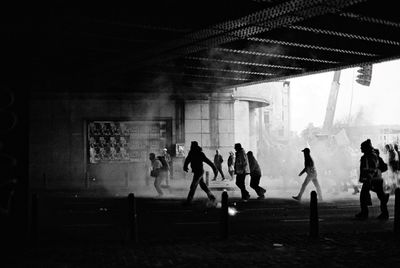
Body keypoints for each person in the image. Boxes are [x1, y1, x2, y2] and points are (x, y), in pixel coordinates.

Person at [355, 139, 389, 220]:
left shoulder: (370, 156)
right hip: (375, 178)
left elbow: (372, 168)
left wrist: (368, 178)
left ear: (366, 148)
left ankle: (365, 213)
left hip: (372, 179)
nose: (361, 149)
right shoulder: (370, 155)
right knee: (379, 195)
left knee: (363, 196)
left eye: (362, 147)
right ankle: (384, 212)